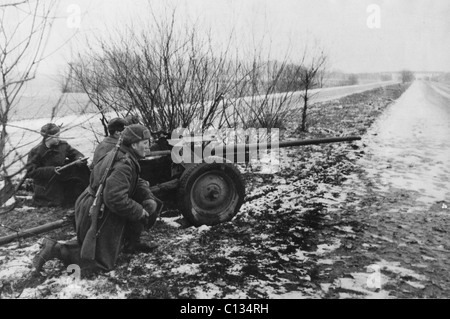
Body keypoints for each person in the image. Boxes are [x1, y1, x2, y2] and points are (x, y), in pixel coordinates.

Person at [33, 124, 159, 274]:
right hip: (97, 210)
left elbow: (134, 180)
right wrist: (139, 211)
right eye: (145, 143)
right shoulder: (124, 164)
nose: (149, 146)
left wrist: (147, 196)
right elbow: (115, 198)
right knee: (100, 263)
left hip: (94, 204)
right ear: (133, 144)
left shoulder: (122, 154)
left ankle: (130, 243)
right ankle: (55, 249)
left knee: (99, 250)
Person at [26, 123, 90, 207]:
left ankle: (87, 193)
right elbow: (31, 171)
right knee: (58, 202)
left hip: (63, 179)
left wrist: (79, 159)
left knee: (82, 169)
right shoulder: (36, 151)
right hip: (47, 184)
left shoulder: (63, 145)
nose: (58, 139)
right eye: (56, 136)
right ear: (48, 138)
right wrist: (51, 170)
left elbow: (76, 154)